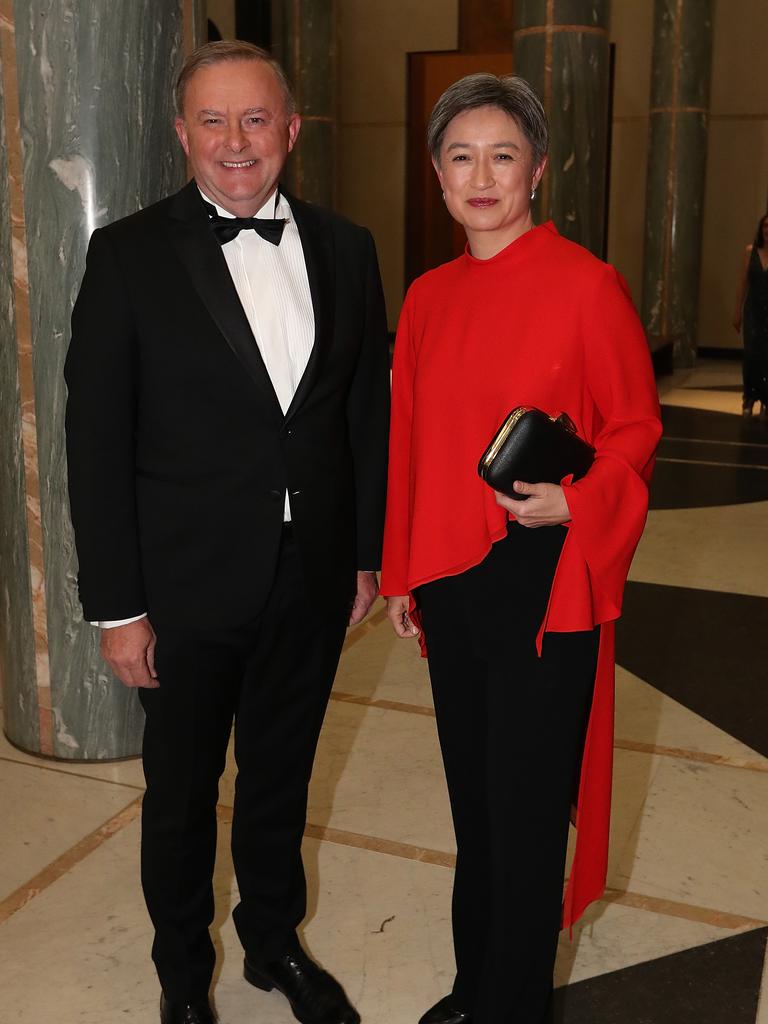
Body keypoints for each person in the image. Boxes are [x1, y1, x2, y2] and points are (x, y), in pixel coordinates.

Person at [64, 41, 390, 1024]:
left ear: (290, 130)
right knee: (180, 796)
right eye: (213, 121)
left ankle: (272, 942)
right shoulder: (126, 254)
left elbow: (363, 414)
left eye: (256, 120)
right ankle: (178, 976)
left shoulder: (347, 246)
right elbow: (94, 442)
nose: (236, 142)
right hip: (185, 585)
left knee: (281, 780)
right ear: (181, 135)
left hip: (312, 576)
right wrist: (118, 610)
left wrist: (367, 552)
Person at [380, 74, 662, 1024]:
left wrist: (576, 501)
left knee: (526, 807)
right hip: (452, 586)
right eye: (461, 157)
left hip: (545, 580)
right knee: (474, 801)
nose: (483, 175)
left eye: (503, 155)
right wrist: (400, 571)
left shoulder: (589, 286)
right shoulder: (425, 297)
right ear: (438, 176)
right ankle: (476, 986)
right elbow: (407, 440)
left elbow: (634, 429)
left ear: (538, 169)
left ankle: (512, 1006)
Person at [733, 212, 768, 417]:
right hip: (753, 310)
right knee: (752, 354)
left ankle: (766, 399)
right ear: (760, 229)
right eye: (765, 226)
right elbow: (742, 284)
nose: (767, 230)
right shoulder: (750, 251)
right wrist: (736, 311)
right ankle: (749, 398)